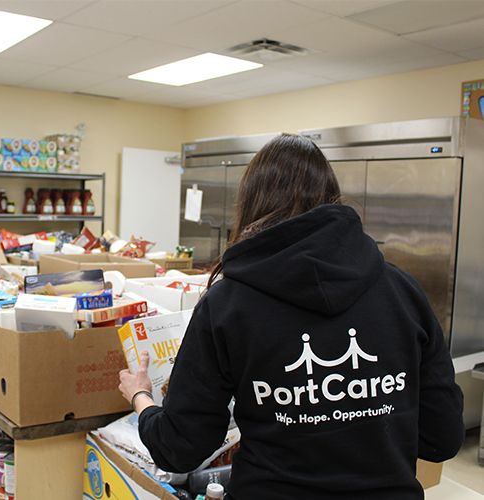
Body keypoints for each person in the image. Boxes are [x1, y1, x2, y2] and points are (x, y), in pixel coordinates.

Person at [119, 133, 465, 499]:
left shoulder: (228, 305)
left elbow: (181, 447)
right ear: (331, 197)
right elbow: (441, 438)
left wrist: (142, 398)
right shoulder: (403, 292)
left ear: (249, 203)